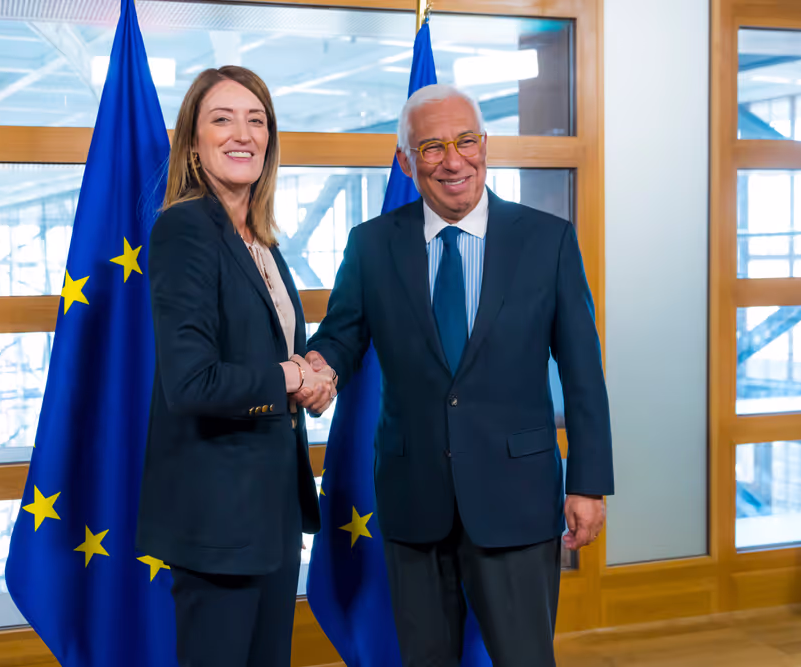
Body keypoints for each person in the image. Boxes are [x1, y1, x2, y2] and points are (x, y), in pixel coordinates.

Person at [298, 84, 614, 667]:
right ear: (405, 160)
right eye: (433, 146)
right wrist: (316, 367)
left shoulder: (547, 241)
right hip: (413, 497)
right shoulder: (370, 246)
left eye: (467, 141)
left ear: (485, 145)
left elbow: (583, 372)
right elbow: (341, 336)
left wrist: (588, 483)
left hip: (517, 500)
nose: (454, 160)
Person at [136, 66, 333, 667]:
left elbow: (263, 350)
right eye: (221, 119)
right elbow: (192, 382)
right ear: (193, 142)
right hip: (217, 522)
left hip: (269, 512)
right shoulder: (185, 229)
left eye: (256, 119)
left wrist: (314, 369)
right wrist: (291, 377)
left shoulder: (260, 239)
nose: (241, 133)